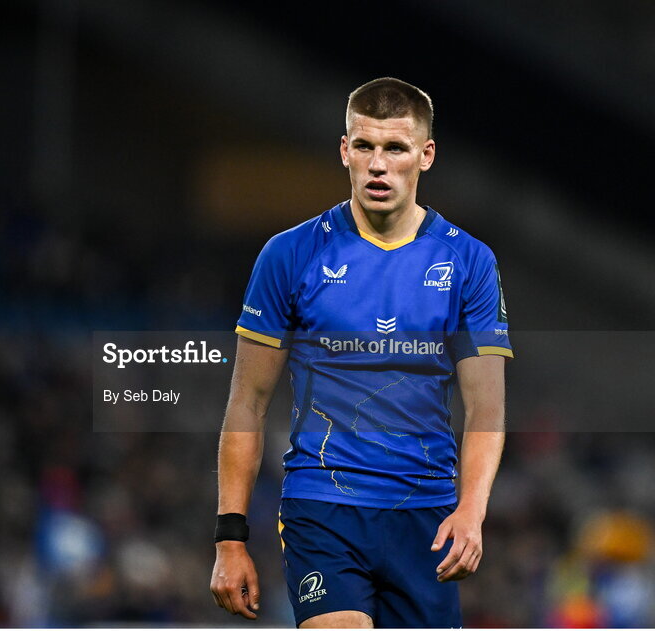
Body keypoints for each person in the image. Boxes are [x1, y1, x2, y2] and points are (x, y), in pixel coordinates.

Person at [209, 78, 511, 628]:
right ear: (344, 150)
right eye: (365, 146)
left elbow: (486, 408)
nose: (378, 164)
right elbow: (246, 402)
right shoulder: (290, 254)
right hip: (323, 506)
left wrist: (471, 509)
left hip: (426, 514)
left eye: (395, 148)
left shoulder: (469, 262)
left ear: (426, 155)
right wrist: (230, 538)